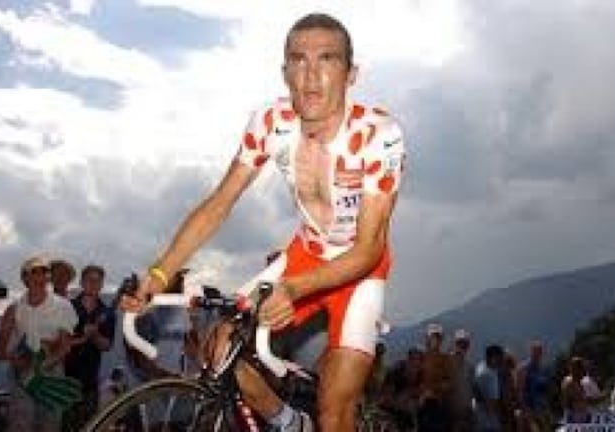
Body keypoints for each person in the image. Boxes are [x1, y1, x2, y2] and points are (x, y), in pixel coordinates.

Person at [121, 12, 406, 432]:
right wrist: (161, 274)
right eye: (298, 60)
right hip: (305, 254)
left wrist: (293, 289)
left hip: (358, 270)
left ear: (351, 74)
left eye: (327, 59)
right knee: (219, 350)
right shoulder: (271, 123)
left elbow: (369, 249)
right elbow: (220, 203)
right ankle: (289, 423)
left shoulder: (379, 134)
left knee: (334, 411)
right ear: (285, 72)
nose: (311, 75)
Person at [0, 256, 79, 432]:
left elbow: (65, 347)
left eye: (45, 271)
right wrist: (16, 360)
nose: (40, 276)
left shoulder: (64, 306)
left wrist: (41, 367)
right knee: (21, 425)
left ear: (49, 277)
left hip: (52, 372)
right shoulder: (14, 309)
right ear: (25, 278)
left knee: (50, 425)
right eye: (34, 272)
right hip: (22, 373)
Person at [63, 264, 116, 431]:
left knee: (89, 426)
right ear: (81, 282)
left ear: (102, 284)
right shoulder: (67, 308)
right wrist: (81, 336)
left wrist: (95, 335)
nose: (93, 284)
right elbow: (58, 340)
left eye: (97, 281)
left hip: (90, 382)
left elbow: (107, 345)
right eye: (89, 280)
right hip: (65, 380)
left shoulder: (107, 313)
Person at [417, 323, 454, 431]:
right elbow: (414, 381)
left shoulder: (445, 359)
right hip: (421, 405)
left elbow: (448, 383)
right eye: (433, 337)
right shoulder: (420, 358)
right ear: (427, 338)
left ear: (441, 339)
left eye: (438, 337)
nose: (435, 340)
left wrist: (433, 390)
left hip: (439, 404)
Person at [516, 341, 552, 432]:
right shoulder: (524, 368)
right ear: (531, 352)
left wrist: (547, 408)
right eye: (535, 351)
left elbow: (546, 390)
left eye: (540, 352)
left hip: (542, 407)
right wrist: (525, 409)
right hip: (529, 408)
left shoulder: (544, 369)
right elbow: (520, 390)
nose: (538, 354)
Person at [474, 344, 505, 432]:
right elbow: (490, 402)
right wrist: (500, 415)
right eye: (500, 357)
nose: (501, 360)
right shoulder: (486, 374)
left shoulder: (486, 367)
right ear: (493, 358)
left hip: (486, 417)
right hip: (486, 419)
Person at [450, 328, 475, 432]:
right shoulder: (446, 364)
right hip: (451, 414)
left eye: (465, 344)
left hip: (467, 412)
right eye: (460, 343)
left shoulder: (469, 366)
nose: (462, 347)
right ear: (455, 344)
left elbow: (472, 389)